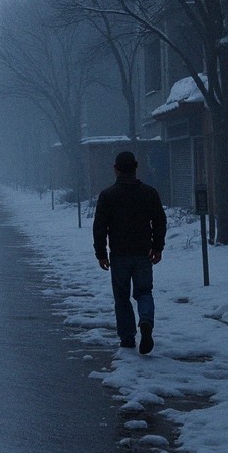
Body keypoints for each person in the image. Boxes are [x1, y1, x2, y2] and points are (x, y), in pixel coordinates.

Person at [92, 149, 167, 354]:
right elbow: (159, 221)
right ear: (135, 168)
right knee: (144, 292)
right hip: (143, 253)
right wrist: (157, 247)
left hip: (119, 255)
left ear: (116, 170)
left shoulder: (108, 196)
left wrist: (101, 253)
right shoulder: (149, 193)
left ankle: (127, 338)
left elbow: (100, 226)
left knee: (122, 297)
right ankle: (146, 321)